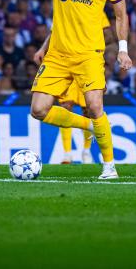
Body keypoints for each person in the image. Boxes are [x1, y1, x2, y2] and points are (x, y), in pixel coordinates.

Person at [11, 0, 133, 179]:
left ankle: (109, 166)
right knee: (38, 110)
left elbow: (121, 14)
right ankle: (89, 126)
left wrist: (122, 49)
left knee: (94, 105)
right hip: (58, 54)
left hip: (89, 54)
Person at [34, 13, 111, 164]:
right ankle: (67, 153)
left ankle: (86, 152)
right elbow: (54, 30)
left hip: (86, 61)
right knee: (65, 105)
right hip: (64, 60)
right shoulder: (64, 2)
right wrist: (43, 48)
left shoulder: (94, 5)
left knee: (88, 109)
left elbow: (108, 35)